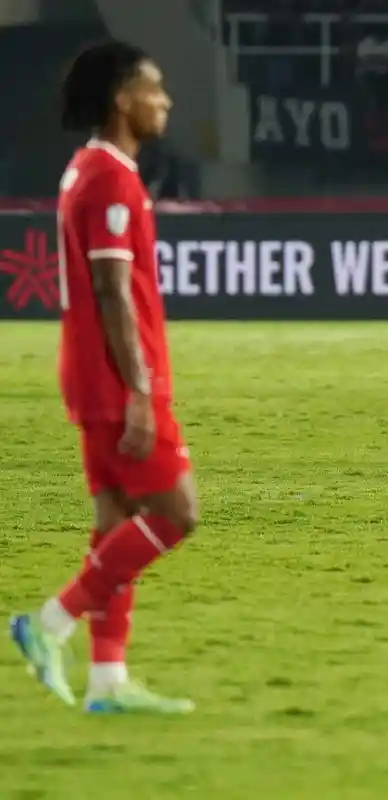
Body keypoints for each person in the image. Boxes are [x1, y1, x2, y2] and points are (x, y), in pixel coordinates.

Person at [9, 41, 199, 713]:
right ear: (123, 99)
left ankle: (107, 681)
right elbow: (113, 291)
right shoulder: (112, 178)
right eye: (154, 89)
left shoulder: (84, 168)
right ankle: (49, 623)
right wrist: (141, 391)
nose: (165, 101)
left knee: (117, 521)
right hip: (115, 380)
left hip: (89, 375)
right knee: (176, 513)